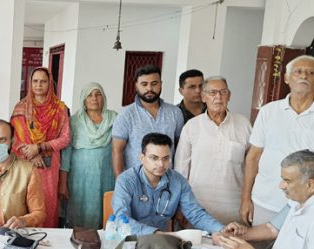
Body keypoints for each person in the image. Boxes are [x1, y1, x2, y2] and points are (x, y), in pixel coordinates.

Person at [219, 150, 314, 249]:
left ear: (310, 184)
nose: (281, 186)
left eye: (287, 181)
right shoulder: (298, 200)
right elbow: (272, 228)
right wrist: (240, 234)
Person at [240, 55, 314, 229]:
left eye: (311, 73)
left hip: (305, 205)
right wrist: (245, 199)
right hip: (264, 201)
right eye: (298, 72)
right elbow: (253, 158)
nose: (304, 76)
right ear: (287, 78)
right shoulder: (269, 111)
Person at [112, 133, 224, 236]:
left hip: (163, 243)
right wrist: (154, 233)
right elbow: (121, 219)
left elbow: (196, 214)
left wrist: (221, 230)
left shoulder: (178, 181)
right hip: (132, 239)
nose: (161, 164)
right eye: (154, 158)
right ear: (142, 158)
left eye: (165, 158)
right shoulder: (126, 181)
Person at [175, 76, 252, 224]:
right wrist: (181, 206)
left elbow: (252, 165)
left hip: (234, 210)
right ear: (203, 97)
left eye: (223, 92)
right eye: (213, 93)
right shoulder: (192, 126)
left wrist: (248, 200)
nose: (218, 97)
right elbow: (181, 170)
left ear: (229, 96)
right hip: (197, 210)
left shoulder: (243, 124)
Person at [11, 67, 70, 228]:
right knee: (26, 203)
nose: (39, 85)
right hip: (26, 165)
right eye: (35, 81)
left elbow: (65, 138)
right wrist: (32, 154)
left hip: (50, 169)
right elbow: (14, 140)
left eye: (43, 81)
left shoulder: (60, 108)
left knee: (48, 204)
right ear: (30, 83)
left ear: (50, 83)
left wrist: (40, 147)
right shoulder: (21, 108)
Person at [60, 82, 117, 229]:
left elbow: (121, 149)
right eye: (90, 95)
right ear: (83, 100)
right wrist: (63, 183)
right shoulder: (74, 121)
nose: (94, 98)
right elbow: (66, 154)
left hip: (107, 175)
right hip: (80, 178)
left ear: (103, 98)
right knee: (80, 214)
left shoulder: (114, 119)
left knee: (106, 214)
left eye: (98, 94)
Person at [112, 64, 184, 177]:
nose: (149, 89)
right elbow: (117, 151)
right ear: (136, 86)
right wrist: (120, 182)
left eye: (154, 83)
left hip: (168, 181)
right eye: (144, 84)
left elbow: (180, 150)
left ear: (161, 84)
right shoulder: (125, 115)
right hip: (136, 181)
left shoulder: (175, 113)